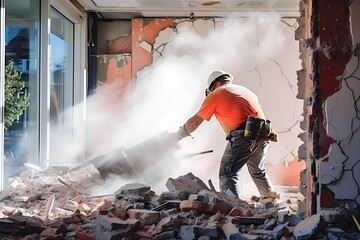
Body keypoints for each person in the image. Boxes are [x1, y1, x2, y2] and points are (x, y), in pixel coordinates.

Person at [174, 70, 278, 199]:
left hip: (244, 135)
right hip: (263, 134)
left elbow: (194, 123)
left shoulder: (217, 93)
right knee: (258, 172)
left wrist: (177, 136)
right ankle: (273, 203)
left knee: (227, 174)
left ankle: (234, 208)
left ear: (216, 84)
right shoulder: (245, 91)